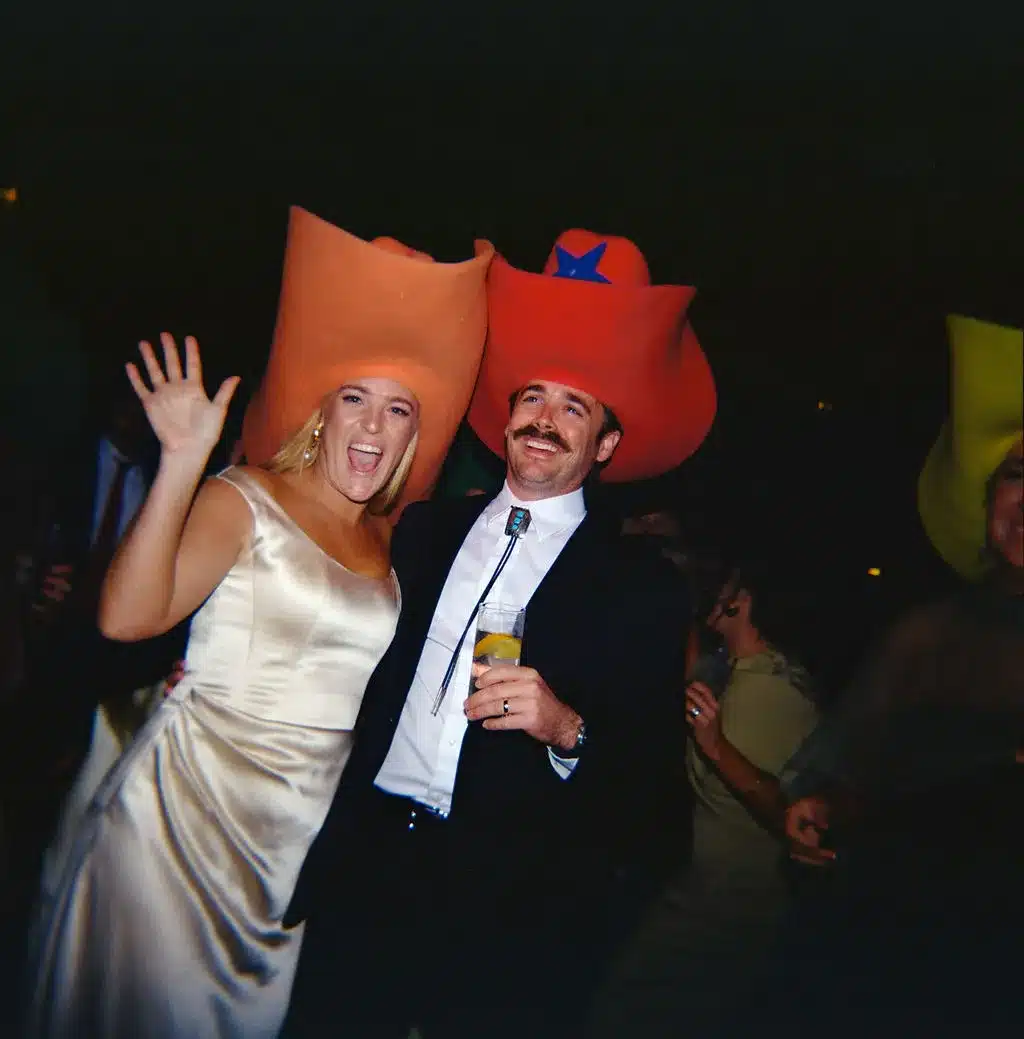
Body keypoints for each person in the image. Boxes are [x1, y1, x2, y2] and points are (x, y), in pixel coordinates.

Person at [25, 207, 494, 1039]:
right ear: (323, 411)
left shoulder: (391, 542)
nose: (373, 426)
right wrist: (181, 462)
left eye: (399, 410)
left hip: (292, 853)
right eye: (356, 398)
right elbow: (126, 618)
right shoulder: (246, 497)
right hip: (180, 825)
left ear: (416, 435)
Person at [285, 228, 717, 1039]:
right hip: (370, 860)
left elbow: (654, 795)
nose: (544, 420)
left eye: (573, 408)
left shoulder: (642, 588)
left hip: (507, 906)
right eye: (532, 398)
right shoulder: (422, 530)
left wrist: (567, 728)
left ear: (606, 444)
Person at [781, 314, 1023, 1035]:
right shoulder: (926, 635)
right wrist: (821, 810)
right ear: (987, 499)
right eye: (1018, 475)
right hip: (901, 960)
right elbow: (850, 772)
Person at [591, 552, 819, 1038]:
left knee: (630, 1011)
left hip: (737, 904)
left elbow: (789, 811)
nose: (714, 589)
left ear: (742, 600)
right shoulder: (734, 668)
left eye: (724, 583)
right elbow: (692, 673)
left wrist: (716, 748)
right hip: (704, 885)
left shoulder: (768, 691)